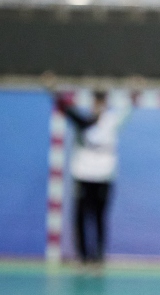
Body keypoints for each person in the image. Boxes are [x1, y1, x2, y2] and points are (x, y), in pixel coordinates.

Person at [55, 89, 133, 266]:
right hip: (83, 175)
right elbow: (67, 110)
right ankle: (82, 257)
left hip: (104, 176)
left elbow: (128, 109)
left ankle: (98, 257)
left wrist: (134, 92)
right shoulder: (83, 119)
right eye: (96, 101)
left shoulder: (111, 120)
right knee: (81, 216)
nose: (98, 104)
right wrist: (54, 91)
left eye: (101, 100)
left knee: (99, 217)